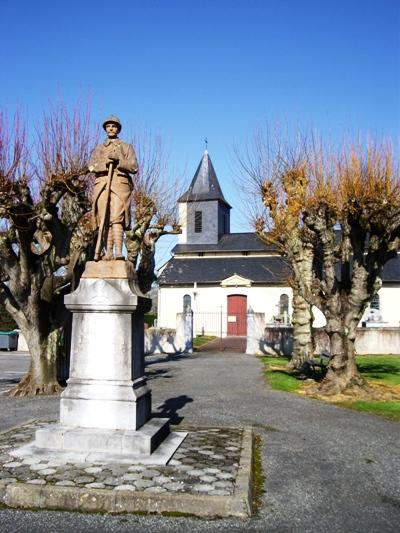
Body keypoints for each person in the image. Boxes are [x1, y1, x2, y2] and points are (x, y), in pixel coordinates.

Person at [88, 115, 138, 260]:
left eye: (114, 126)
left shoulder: (126, 147)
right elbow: (91, 166)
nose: (111, 128)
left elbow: (134, 166)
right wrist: (105, 163)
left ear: (118, 129)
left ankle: (118, 252)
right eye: (108, 126)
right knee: (104, 218)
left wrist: (119, 160)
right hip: (102, 184)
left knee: (117, 217)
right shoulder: (99, 149)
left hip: (119, 184)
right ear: (105, 129)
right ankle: (107, 252)